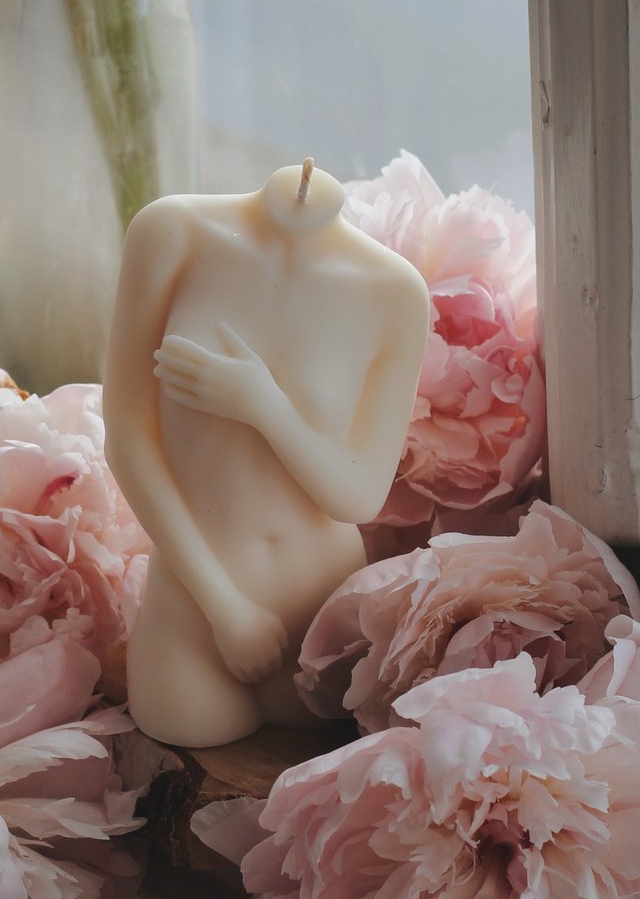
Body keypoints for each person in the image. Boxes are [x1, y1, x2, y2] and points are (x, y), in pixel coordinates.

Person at [103, 161, 429, 748]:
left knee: (322, 745)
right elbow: (128, 437)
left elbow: (358, 496)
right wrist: (223, 607)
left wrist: (265, 407)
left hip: (319, 617)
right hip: (195, 599)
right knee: (184, 725)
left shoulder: (393, 292)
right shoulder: (172, 233)